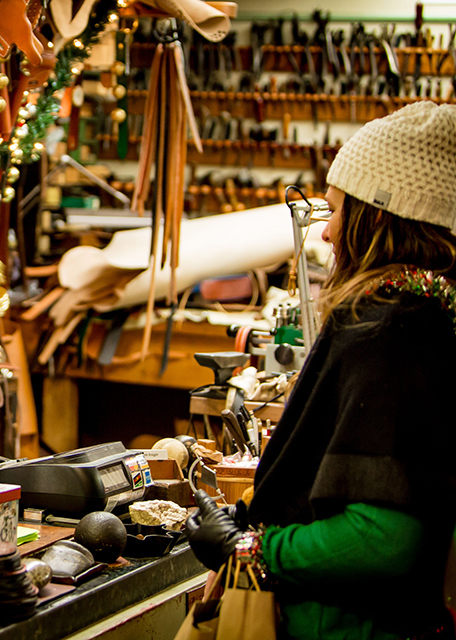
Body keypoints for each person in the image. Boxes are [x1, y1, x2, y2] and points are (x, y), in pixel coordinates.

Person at [186, 100, 456, 639]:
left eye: (334, 210)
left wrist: (247, 548)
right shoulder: (432, 314)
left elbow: (383, 541)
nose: (327, 233)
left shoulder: (387, 334)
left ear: (375, 215)